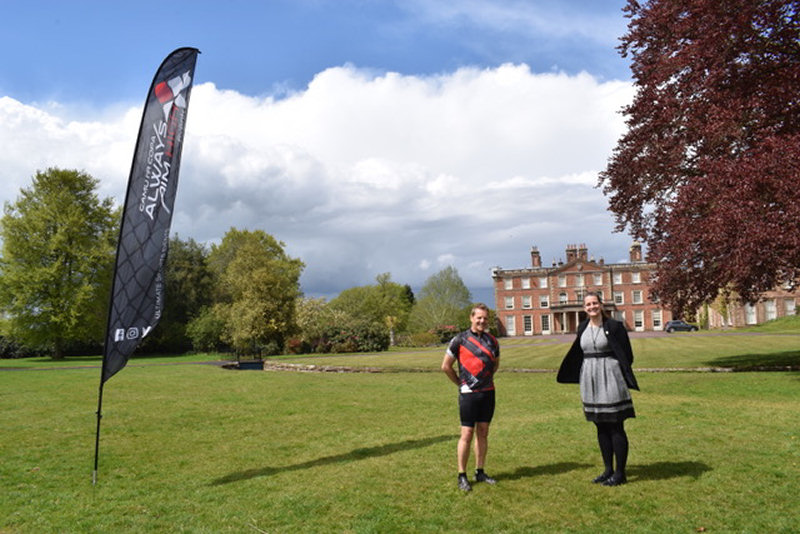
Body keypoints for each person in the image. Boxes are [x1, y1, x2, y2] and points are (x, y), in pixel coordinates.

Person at [557, 291, 639, 486]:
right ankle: (607, 470)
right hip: (590, 378)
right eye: (588, 304)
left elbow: (627, 355)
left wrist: (614, 371)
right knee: (600, 425)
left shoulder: (615, 326)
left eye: (595, 303)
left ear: (601, 305)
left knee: (615, 424)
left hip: (610, 376)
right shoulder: (582, 326)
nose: (592, 307)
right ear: (584, 308)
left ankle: (620, 473)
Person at [441, 303, 500, 492]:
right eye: (479, 317)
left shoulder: (493, 341)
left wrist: (485, 380)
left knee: (483, 432)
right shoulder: (459, 340)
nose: (482, 321)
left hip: (488, 392)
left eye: (485, 318)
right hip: (468, 395)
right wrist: (460, 383)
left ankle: (480, 471)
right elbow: (446, 366)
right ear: (471, 318)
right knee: (466, 434)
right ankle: (462, 475)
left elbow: (495, 365)